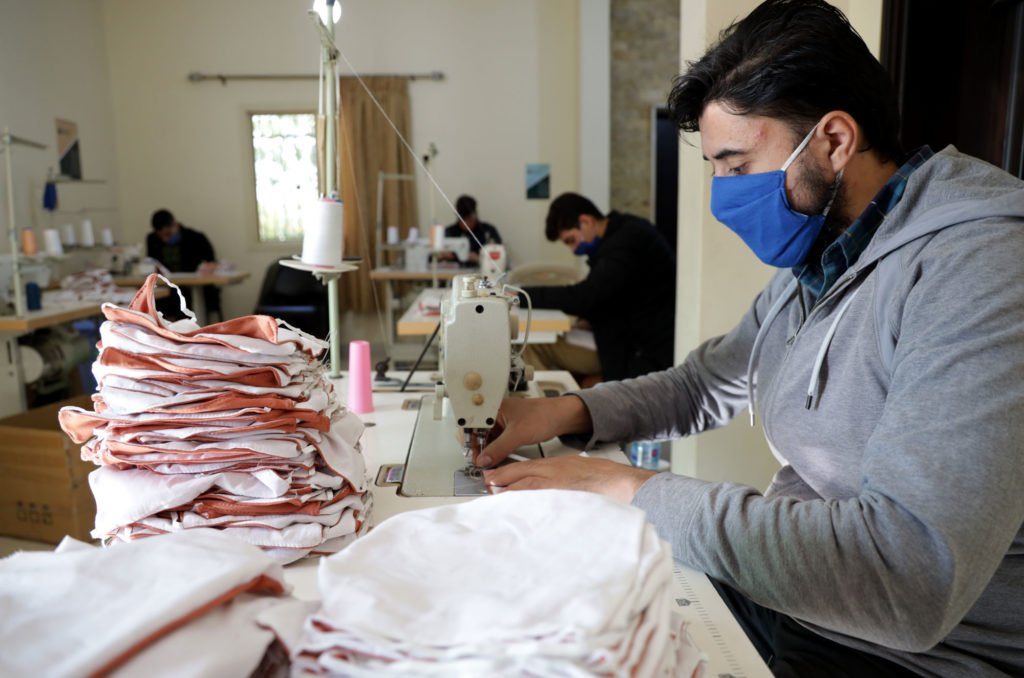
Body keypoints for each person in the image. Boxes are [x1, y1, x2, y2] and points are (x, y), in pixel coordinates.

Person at [475, 1, 1024, 676]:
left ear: (833, 141)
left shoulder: (984, 270)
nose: (721, 194)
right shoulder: (824, 259)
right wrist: (565, 412)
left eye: (735, 165)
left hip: (912, 655)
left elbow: (908, 575)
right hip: (798, 602)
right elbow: (707, 382)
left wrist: (628, 489)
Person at [519, 192, 676, 383]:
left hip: (639, 350)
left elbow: (584, 297)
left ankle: (545, 408)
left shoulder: (625, 243)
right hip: (631, 337)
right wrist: (588, 320)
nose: (573, 250)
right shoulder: (626, 231)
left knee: (531, 344)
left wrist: (521, 295)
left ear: (585, 221)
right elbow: (610, 295)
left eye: (571, 240)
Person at [146, 209, 220, 320]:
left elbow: (211, 262)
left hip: (191, 288)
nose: (165, 239)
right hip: (168, 288)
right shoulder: (152, 240)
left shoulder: (196, 238)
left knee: (185, 300)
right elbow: (152, 263)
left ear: (175, 225)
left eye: (168, 234)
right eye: (161, 237)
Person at [439, 195, 502, 265]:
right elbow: (432, 258)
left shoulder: (488, 231)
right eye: (463, 220)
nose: (467, 224)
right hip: (451, 275)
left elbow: (500, 257)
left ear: (475, 214)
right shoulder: (449, 232)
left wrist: (480, 259)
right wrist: (441, 256)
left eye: (469, 219)